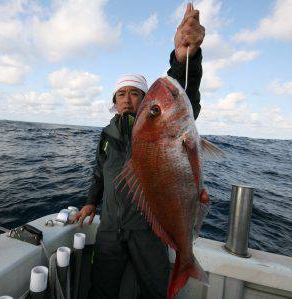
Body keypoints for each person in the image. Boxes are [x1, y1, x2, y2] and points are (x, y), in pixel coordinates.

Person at [72, 4, 205, 299]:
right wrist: (91, 203)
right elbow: (99, 171)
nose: (128, 99)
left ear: (145, 102)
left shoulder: (155, 129)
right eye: (122, 94)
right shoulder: (106, 135)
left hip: (148, 230)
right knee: (101, 290)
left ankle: (185, 261)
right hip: (109, 228)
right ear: (114, 100)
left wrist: (186, 58)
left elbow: (184, 96)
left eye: (135, 94)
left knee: (155, 292)